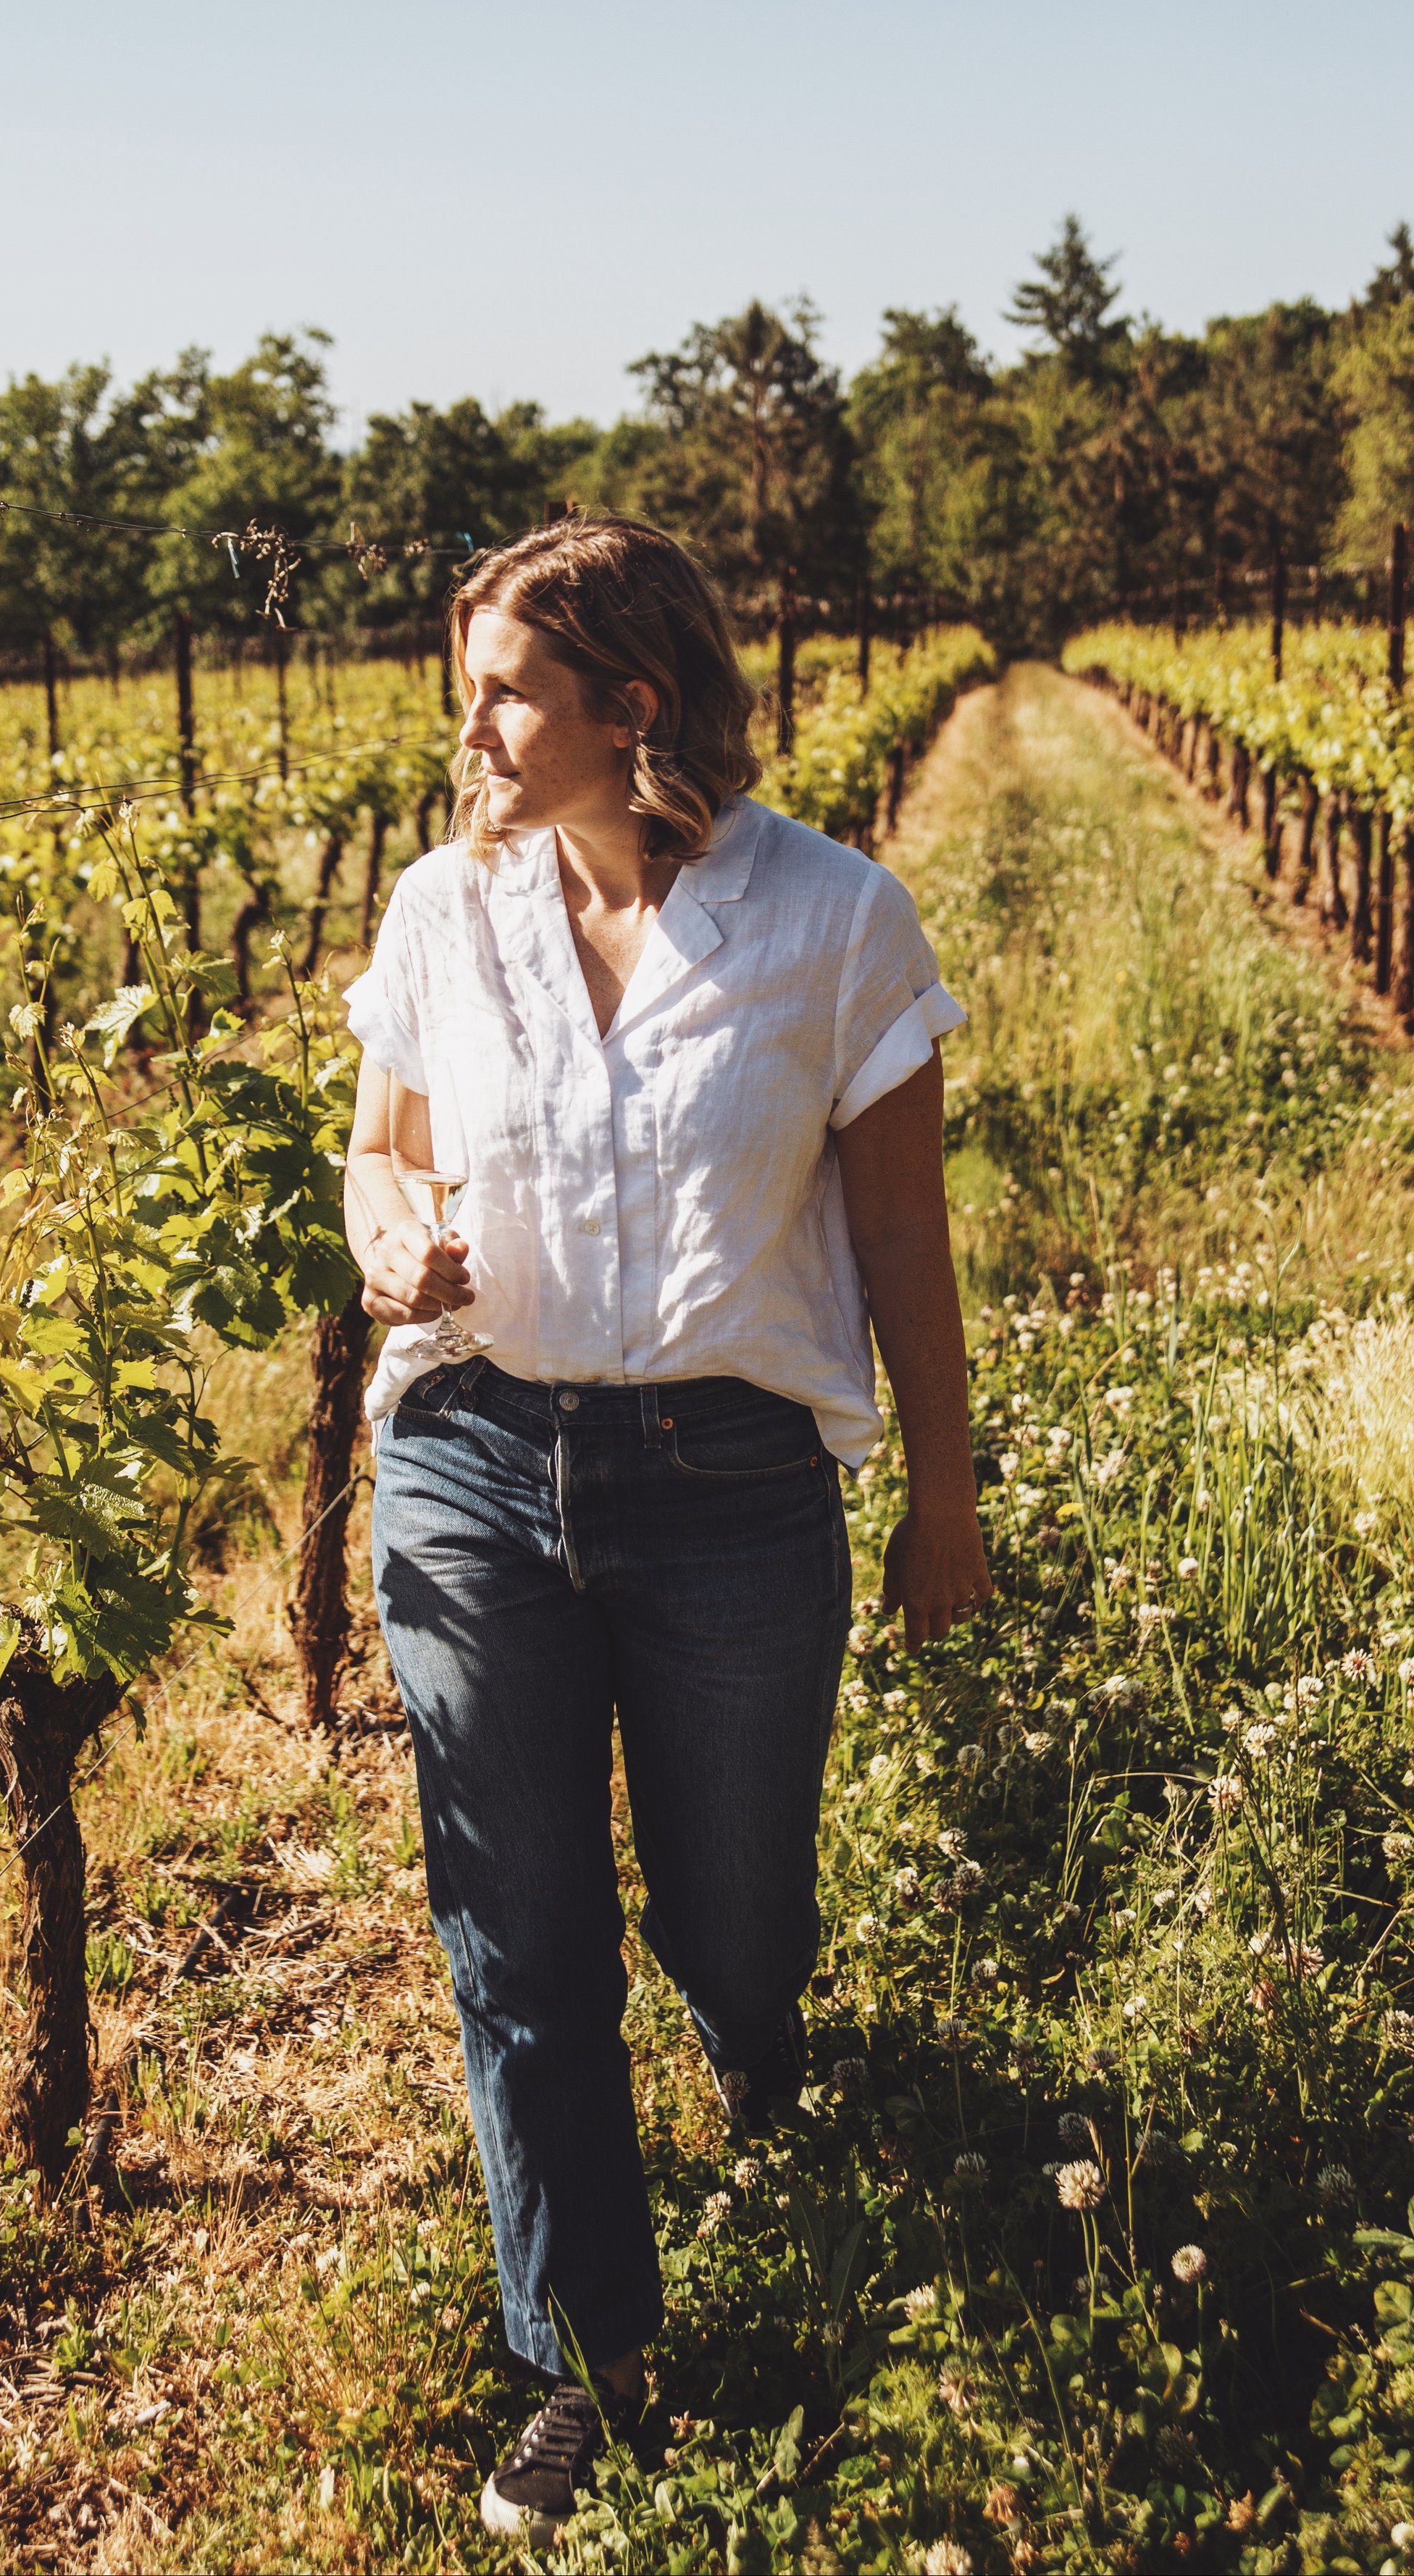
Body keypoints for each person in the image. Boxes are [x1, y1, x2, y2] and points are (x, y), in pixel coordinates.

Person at [342, 517, 990, 2546]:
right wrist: (390, 1244)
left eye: (506, 684)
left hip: (728, 1488)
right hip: (469, 1458)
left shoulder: (831, 921)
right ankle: (581, 2356)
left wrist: (943, 1504)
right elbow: (379, 1153)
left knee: (735, 1920)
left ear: (631, 705)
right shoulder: (445, 910)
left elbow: (898, 1233)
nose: (470, 722)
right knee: (519, 1940)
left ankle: (760, 2058)